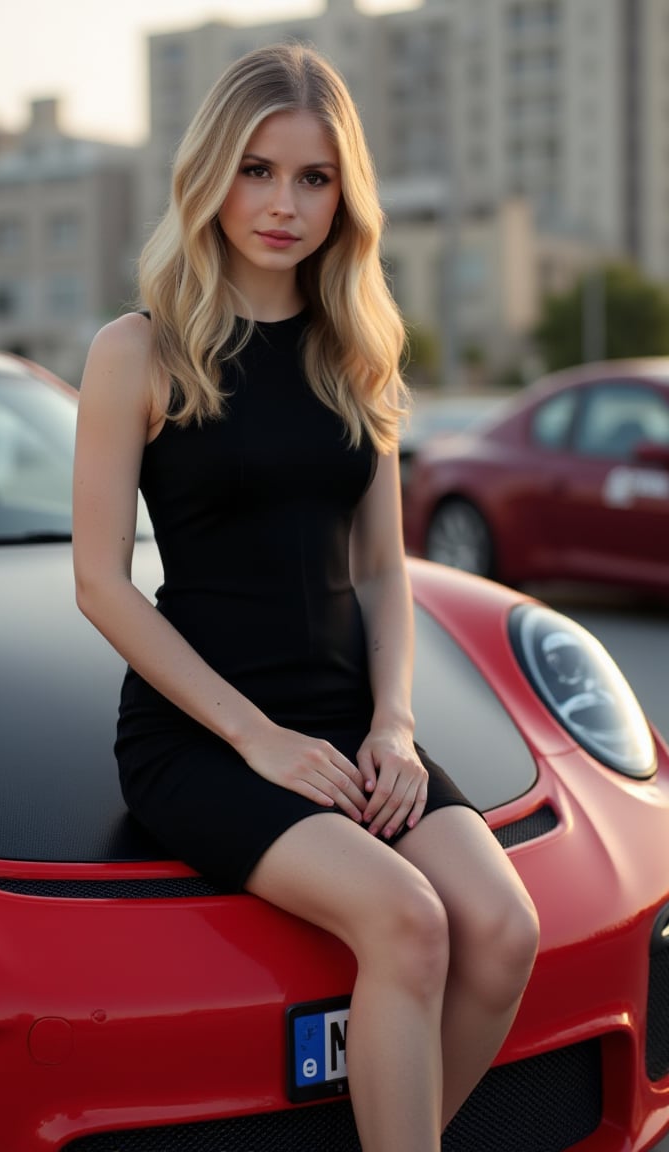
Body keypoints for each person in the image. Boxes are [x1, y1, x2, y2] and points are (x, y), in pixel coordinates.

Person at [72, 42, 539, 1152]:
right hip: (205, 733)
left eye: (314, 177)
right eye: (257, 170)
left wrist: (396, 725)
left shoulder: (356, 349)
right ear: (210, 176)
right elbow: (98, 583)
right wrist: (259, 739)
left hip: (345, 712)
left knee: (505, 927)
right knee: (410, 922)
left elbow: (382, 567)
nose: (284, 204)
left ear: (346, 191)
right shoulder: (139, 351)